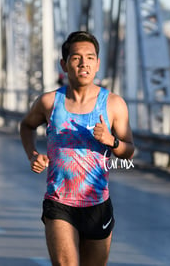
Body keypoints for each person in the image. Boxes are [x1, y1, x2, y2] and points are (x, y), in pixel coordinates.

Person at [20, 31, 135, 266]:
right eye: (76, 58)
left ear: (98, 63)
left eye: (90, 58)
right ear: (64, 64)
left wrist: (112, 141)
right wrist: (33, 154)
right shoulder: (49, 102)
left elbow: (129, 151)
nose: (84, 63)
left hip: (97, 205)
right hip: (59, 202)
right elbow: (27, 126)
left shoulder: (113, 104)